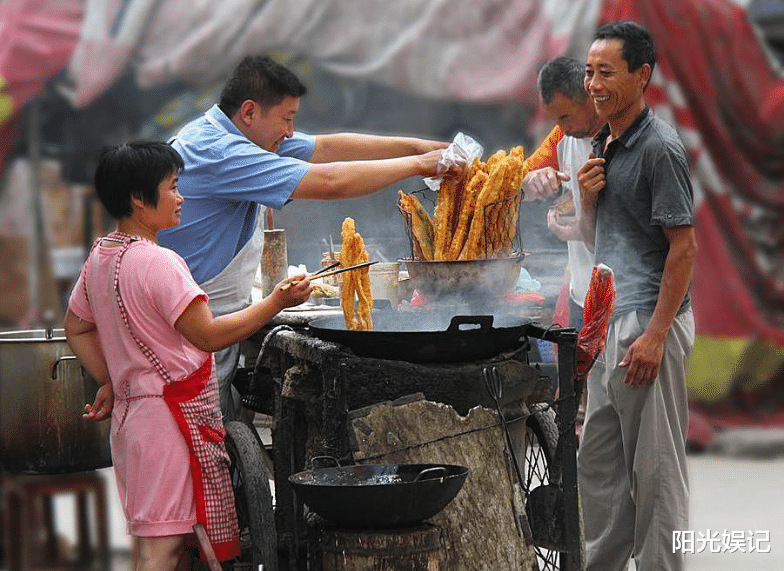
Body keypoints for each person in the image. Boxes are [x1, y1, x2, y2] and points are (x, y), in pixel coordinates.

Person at [158, 55, 457, 421]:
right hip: (188, 332)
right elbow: (330, 181)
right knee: (195, 442)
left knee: (218, 433)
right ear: (250, 112)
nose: (289, 133)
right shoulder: (219, 152)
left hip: (214, 321)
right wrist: (420, 166)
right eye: (286, 120)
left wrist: (423, 148)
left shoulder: (237, 135)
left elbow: (327, 148)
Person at [64, 141, 312, 571]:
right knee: (164, 550)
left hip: (132, 423)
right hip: (166, 425)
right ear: (140, 199)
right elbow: (209, 335)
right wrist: (275, 302)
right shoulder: (160, 263)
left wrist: (111, 380)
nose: (182, 198)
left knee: (151, 543)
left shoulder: (101, 257)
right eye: (174, 187)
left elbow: (77, 326)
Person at [576, 21, 697, 571]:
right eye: (588, 72)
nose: (593, 84)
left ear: (641, 75)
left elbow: (684, 248)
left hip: (648, 325)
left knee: (655, 472)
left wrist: (654, 335)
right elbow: (597, 236)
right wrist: (584, 198)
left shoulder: (659, 148)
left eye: (606, 72)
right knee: (597, 464)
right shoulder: (606, 142)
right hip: (609, 324)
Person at [522, 56, 604, 330]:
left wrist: (577, 230)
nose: (562, 127)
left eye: (566, 116)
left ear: (589, 96)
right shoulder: (563, 136)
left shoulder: (621, 138)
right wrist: (534, 181)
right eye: (555, 119)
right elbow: (519, 181)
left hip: (622, 302)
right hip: (580, 296)